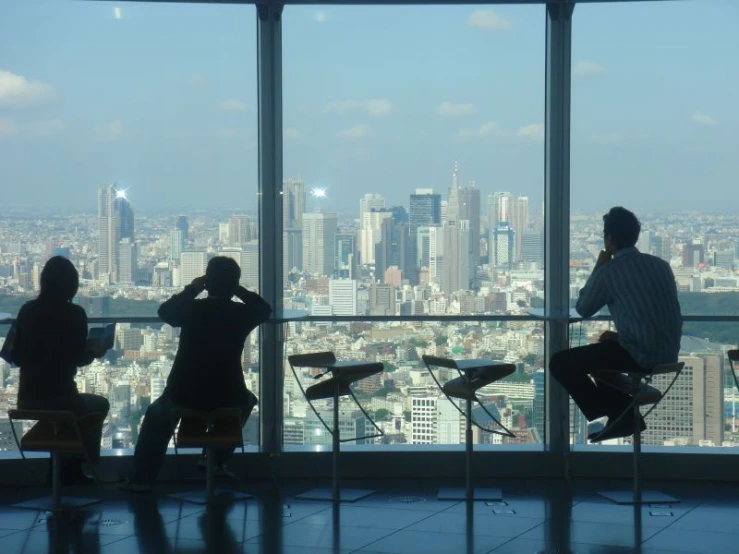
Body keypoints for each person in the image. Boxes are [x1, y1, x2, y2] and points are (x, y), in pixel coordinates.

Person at [123, 256, 271, 492]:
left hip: (184, 395)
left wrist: (194, 287)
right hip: (228, 397)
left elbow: (165, 311)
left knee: (156, 416)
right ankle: (215, 460)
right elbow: (265, 309)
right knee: (249, 400)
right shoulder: (240, 314)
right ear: (234, 285)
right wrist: (236, 288)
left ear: (207, 282)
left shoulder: (192, 309)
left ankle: (140, 480)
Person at [549, 207, 682, 442]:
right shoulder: (660, 265)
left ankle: (618, 415)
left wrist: (598, 267)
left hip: (640, 356)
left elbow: (583, 308)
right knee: (605, 349)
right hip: (669, 354)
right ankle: (621, 415)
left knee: (560, 362)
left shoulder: (610, 271)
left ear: (609, 238)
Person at [11, 256, 110, 484]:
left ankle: (59, 468)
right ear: (71, 285)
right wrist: (96, 350)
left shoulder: (27, 311)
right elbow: (79, 360)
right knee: (99, 404)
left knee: (67, 417)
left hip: (28, 401)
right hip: (63, 401)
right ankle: (76, 465)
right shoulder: (74, 314)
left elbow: (16, 356)